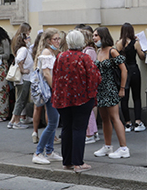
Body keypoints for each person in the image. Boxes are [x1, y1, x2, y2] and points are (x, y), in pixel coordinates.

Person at [52, 29, 101, 172]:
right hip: (82, 98)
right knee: (79, 128)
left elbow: (55, 77)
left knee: (66, 128)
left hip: (63, 98)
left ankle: (67, 162)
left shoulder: (60, 56)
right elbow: (95, 77)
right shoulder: (84, 58)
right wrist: (92, 95)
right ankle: (78, 163)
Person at [91, 27, 130, 159]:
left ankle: (124, 147)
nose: (94, 38)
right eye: (93, 35)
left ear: (103, 36)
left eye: (96, 35)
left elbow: (124, 70)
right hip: (100, 89)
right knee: (104, 118)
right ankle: (107, 146)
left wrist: (122, 88)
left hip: (111, 88)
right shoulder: (98, 51)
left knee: (115, 117)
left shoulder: (112, 51)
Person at [32, 28, 64, 164]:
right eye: (55, 39)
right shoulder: (46, 53)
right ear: (48, 41)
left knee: (54, 122)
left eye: (58, 39)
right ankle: (38, 152)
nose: (58, 41)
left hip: (52, 91)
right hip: (50, 92)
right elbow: (46, 74)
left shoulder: (51, 53)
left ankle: (49, 151)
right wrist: (56, 90)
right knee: (52, 123)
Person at [116, 23, 146, 133]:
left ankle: (127, 123)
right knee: (136, 97)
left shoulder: (118, 43)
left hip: (123, 71)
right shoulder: (136, 43)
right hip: (134, 70)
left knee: (124, 98)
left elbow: (117, 59)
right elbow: (142, 57)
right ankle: (138, 122)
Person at [7, 28, 35, 130]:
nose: (29, 39)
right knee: (21, 100)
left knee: (20, 100)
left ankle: (12, 121)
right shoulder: (23, 50)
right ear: (23, 40)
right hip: (24, 79)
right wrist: (23, 70)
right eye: (27, 38)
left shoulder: (23, 49)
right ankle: (16, 122)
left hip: (23, 79)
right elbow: (19, 60)